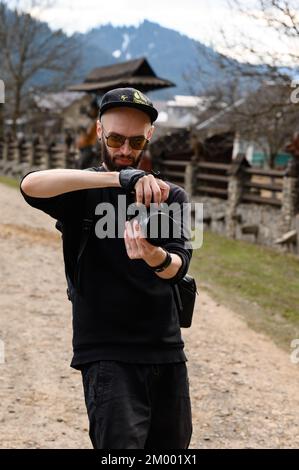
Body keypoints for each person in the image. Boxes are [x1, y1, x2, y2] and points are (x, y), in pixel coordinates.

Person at [19, 87, 193, 450]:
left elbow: (178, 266)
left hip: (167, 352)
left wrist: (151, 255)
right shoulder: (81, 191)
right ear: (99, 131)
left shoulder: (169, 196)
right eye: (115, 138)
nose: (125, 150)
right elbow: (30, 185)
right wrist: (118, 179)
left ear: (150, 136)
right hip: (106, 353)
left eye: (135, 141)